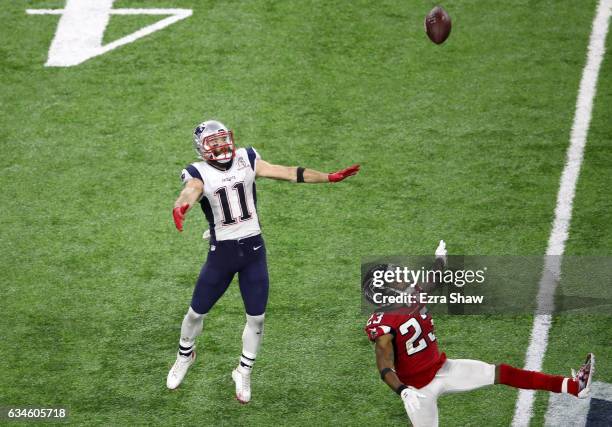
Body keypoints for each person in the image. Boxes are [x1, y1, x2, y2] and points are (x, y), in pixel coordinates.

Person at [167, 120, 360, 403]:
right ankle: (185, 355)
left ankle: (243, 370)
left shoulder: (247, 158)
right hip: (222, 254)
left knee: (256, 318)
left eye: (223, 140)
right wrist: (181, 206)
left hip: (254, 250)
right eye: (214, 143)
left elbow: (288, 173)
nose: (222, 147)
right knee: (196, 313)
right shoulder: (198, 171)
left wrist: (328, 177)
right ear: (202, 149)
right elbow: (192, 189)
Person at [363, 241, 595, 426]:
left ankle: (575, 387)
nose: (400, 276)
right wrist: (403, 392)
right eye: (392, 277)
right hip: (417, 391)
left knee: (501, 372)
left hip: (443, 369)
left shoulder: (412, 295)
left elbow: (433, 281)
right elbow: (384, 366)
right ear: (385, 290)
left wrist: (439, 260)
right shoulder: (382, 324)